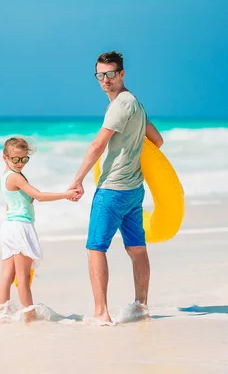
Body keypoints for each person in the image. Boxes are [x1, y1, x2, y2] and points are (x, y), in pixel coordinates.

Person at [68, 51, 164, 324]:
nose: (105, 80)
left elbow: (97, 145)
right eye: (100, 75)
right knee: (137, 248)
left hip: (112, 189)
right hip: (134, 190)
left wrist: (77, 180)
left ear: (122, 74)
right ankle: (140, 306)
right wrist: (131, 155)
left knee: (96, 248)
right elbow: (156, 140)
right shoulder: (136, 104)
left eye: (111, 74)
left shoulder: (120, 105)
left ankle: (101, 312)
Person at [0, 137, 78, 322]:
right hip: (19, 227)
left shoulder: (5, 176)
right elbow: (39, 196)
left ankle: (1, 315)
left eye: (24, 159)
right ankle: (29, 316)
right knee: (22, 277)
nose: (20, 163)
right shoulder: (15, 177)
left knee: (7, 276)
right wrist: (66, 194)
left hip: (9, 227)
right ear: (5, 158)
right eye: (15, 159)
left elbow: (10, 205)